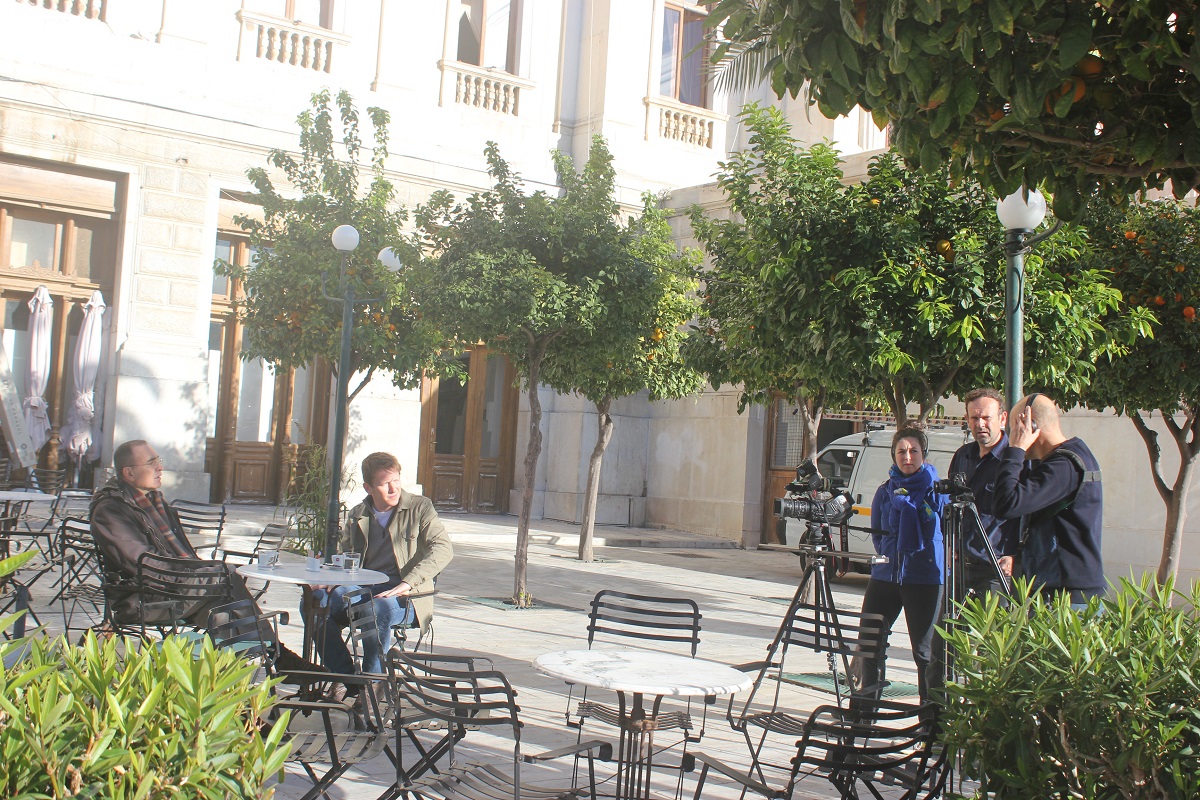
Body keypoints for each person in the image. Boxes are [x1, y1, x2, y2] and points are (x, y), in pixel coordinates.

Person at [89, 439, 323, 677]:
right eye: (151, 463)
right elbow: (143, 563)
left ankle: (234, 681)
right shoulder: (110, 510)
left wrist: (199, 575)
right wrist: (197, 576)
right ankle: (278, 658)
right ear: (128, 473)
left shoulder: (156, 504)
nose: (160, 467)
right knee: (225, 578)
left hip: (171, 589)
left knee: (224, 611)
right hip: (143, 598)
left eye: (158, 460)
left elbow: (180, 557)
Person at [315, 452, 453, 676]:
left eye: (396, 480)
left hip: (407, 595)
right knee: (316, 600)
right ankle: (345, 677)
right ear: (368, 488)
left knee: (376, 609)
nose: (393, 489)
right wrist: (331, 578)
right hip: (366, 589)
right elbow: (345, 556)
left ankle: (374, 682)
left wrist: (408, 583)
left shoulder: (420, 508)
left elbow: (443, 549)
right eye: (384, 484)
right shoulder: (358, 515)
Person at [857, 427, 947, 702]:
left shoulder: (937, 492)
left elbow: (947, 532)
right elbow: (878, 534)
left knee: (924, 653)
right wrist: (889, 554)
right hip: (885, 576)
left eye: (913, 451)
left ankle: (929, 717)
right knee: (869, 645)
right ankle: (866, 713)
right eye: (901, 451)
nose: (907, 457)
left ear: (924, 454)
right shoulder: (885, 491)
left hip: (924, 579)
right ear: (894, 455)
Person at [992, 393, 1104, 606]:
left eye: (1014, 428)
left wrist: (1016, 450)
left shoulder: (1064, 466)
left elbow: (1006, 504)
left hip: (1067, 597)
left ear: (1030, 425)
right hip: (1056, 591)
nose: (1011, 436)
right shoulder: (1059, 462)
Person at [948, 388, 1018, 596]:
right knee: (947, 620)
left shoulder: (1015, 460)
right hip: (961, 568)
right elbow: (951, 505)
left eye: (986, 418)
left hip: (996, 570)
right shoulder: (962, 456)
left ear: (1002, 418)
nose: (980, 424)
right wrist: (950, 544)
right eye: (974, 418)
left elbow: (1029, 514)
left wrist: (1017, 557)